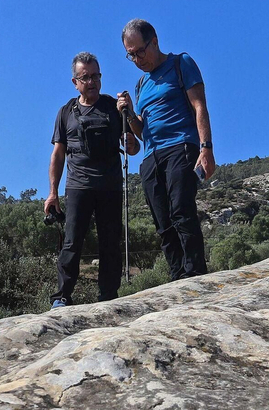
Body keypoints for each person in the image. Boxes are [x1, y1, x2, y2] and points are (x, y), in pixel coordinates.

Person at [116, 19, 214, 281]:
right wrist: (128, 113)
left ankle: (194, 273)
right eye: (131, 55)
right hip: (151, 156)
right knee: (162, 222)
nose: (137, 59)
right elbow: (141, 131)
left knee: (182, 209)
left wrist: (206, 148)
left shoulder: (181, 63)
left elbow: (199, 106)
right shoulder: (140, 85)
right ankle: (176, 275)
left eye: (140, 51)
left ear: (155, 41)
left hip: (181, 145)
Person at [46, 52, 139, 309]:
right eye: (85, 77)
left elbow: (133, 148)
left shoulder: (113, 107)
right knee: (72, 241)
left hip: (110, 185)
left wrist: (130, 133)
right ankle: (62, 297)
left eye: (96, 76)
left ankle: (108, 296)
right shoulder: (66, 112)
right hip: (78, 185)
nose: (92, 81)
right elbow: (58, 153)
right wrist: (52, 192)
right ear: (75, 81)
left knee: (110, 242)